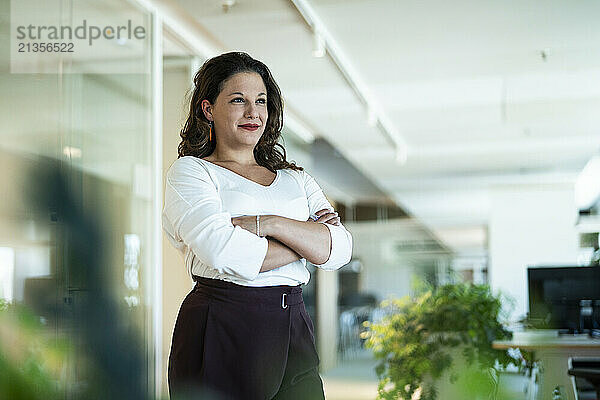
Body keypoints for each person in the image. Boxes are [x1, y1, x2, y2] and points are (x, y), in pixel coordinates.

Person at [162, 51, 353, 400]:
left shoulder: (296, 179)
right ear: (208, 109)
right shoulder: (192, 172)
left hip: (293, 322)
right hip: (222, 323)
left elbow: (339, 250)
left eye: (261, 101)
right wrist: (306, 238)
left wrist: (270, 224)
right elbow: (224, 251)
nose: (253, 112)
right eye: (239, 100)